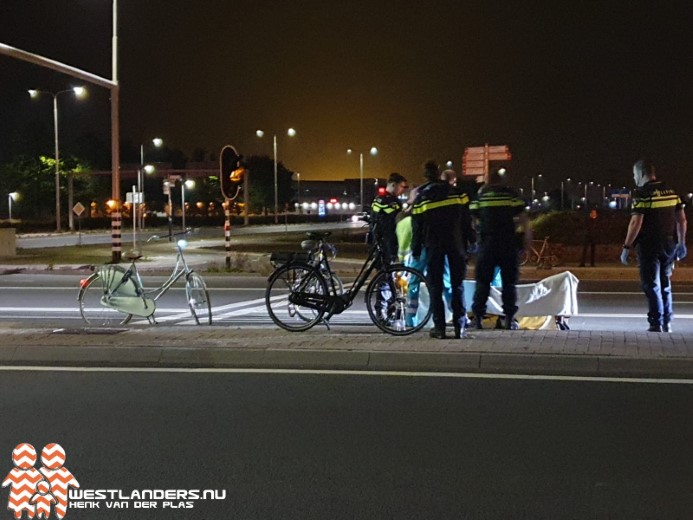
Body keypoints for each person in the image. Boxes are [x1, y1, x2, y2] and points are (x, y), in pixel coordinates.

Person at [620, 159, 687, 332]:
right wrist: (681, 242)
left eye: (635, 175)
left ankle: (655, 322)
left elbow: (636, 222)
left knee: (651, 284)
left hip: (649, 245)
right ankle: (667, 321)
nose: (634, 179)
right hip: (669, 244)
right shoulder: (671, 191)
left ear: (642, 174)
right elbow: (682, 219)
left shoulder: (642, 193)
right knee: (665, 283)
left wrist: (627, 247)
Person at [412, 160, 475, 339]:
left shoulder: (422, 197)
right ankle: (459, 326)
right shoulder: (457, 193)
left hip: (433, 246)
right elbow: (466, 220)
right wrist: (470, 242)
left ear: (425, 175)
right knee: (457, 286)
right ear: (439, 173)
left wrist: (416, 250)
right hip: (456, 245)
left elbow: (417, 228)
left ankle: (439, 328)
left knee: (435, 287)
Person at [469, 167, 530, 330]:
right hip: (507, 244)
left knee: (483, 283)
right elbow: (523, 218)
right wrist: (524, 239)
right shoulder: (510, 194)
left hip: (487, 244)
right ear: (501, 180)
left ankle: (478, 319)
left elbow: (473, 220)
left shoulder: (481, 195)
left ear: (488, 180)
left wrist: (480, 231)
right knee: (509, 283)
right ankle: (509, 319)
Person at [370, 172, 408, 265]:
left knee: (381, 271)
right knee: (389, 270)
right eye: (402, 187)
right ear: (394, 185)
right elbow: (399, 218)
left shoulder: (378, 199)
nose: (403, 190)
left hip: (377, 240)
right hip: (388, 242)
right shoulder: (391, 202)